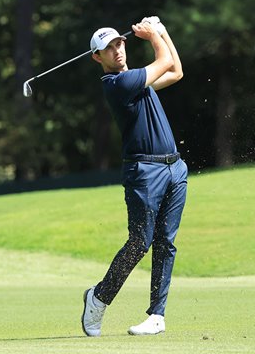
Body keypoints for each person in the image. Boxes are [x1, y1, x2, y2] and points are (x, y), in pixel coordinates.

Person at [81, 17, 187, 337]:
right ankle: (99, 298)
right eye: (108, 49)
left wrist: (164, 31)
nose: (117, 51)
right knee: (140, 242)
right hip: (144, 171)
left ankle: (157, 315)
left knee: (166, 243)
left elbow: (176, 71)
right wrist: (154, 34)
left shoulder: (139, 80)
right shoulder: (117, 85)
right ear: (97, 58)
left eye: (119, 43)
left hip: (175, 168)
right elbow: (164, 60)